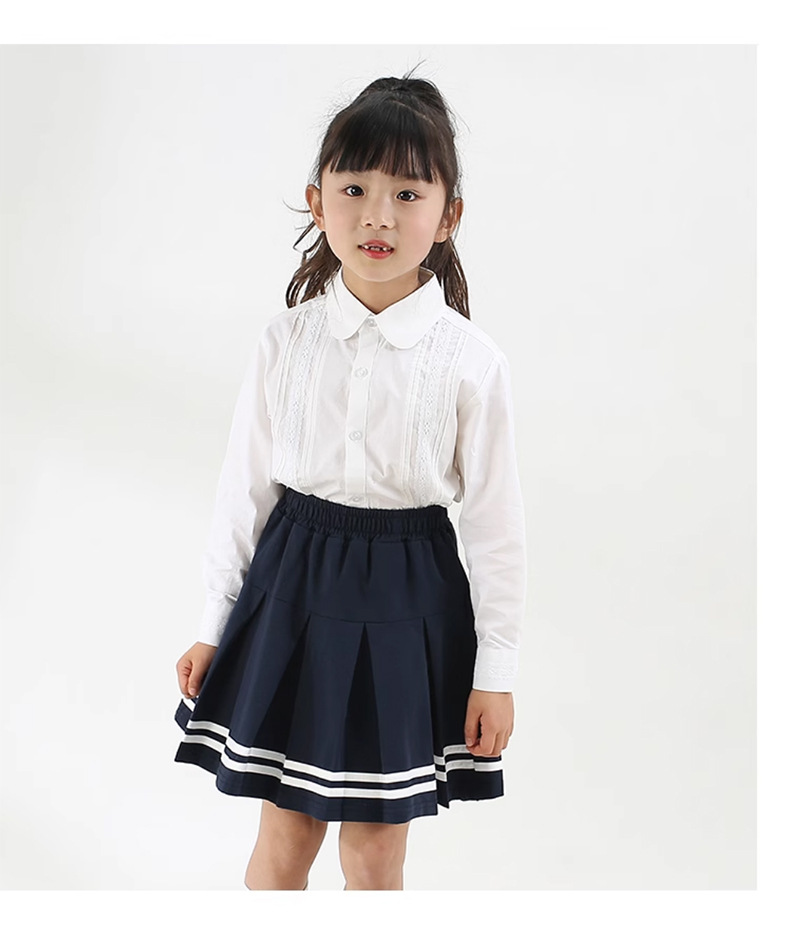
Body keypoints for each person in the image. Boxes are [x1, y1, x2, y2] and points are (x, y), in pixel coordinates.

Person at [173, 66, 528, 892]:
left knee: (374, 848)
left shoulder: (472, 363)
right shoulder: (284, 341)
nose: (378, 215)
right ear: (316, 201)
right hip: (290, 590)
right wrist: (213, 622)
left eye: (408, 193)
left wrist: (497, 672)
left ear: (449, 214)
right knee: (286, 832)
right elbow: (243, 491)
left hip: (409, 599)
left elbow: (496, 529)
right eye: (356, 188)